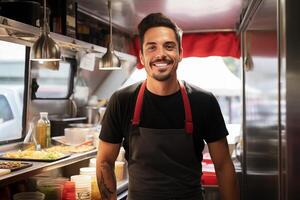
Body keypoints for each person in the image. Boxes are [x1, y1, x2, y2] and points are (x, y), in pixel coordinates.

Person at [96, 13, 239, 200]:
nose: (160, 54)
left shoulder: (204, 101)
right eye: (151, 47)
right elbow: (105, 162)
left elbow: (223, 166)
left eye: (169, 46)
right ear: (141, 55)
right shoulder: (122, 101)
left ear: (180, 53)